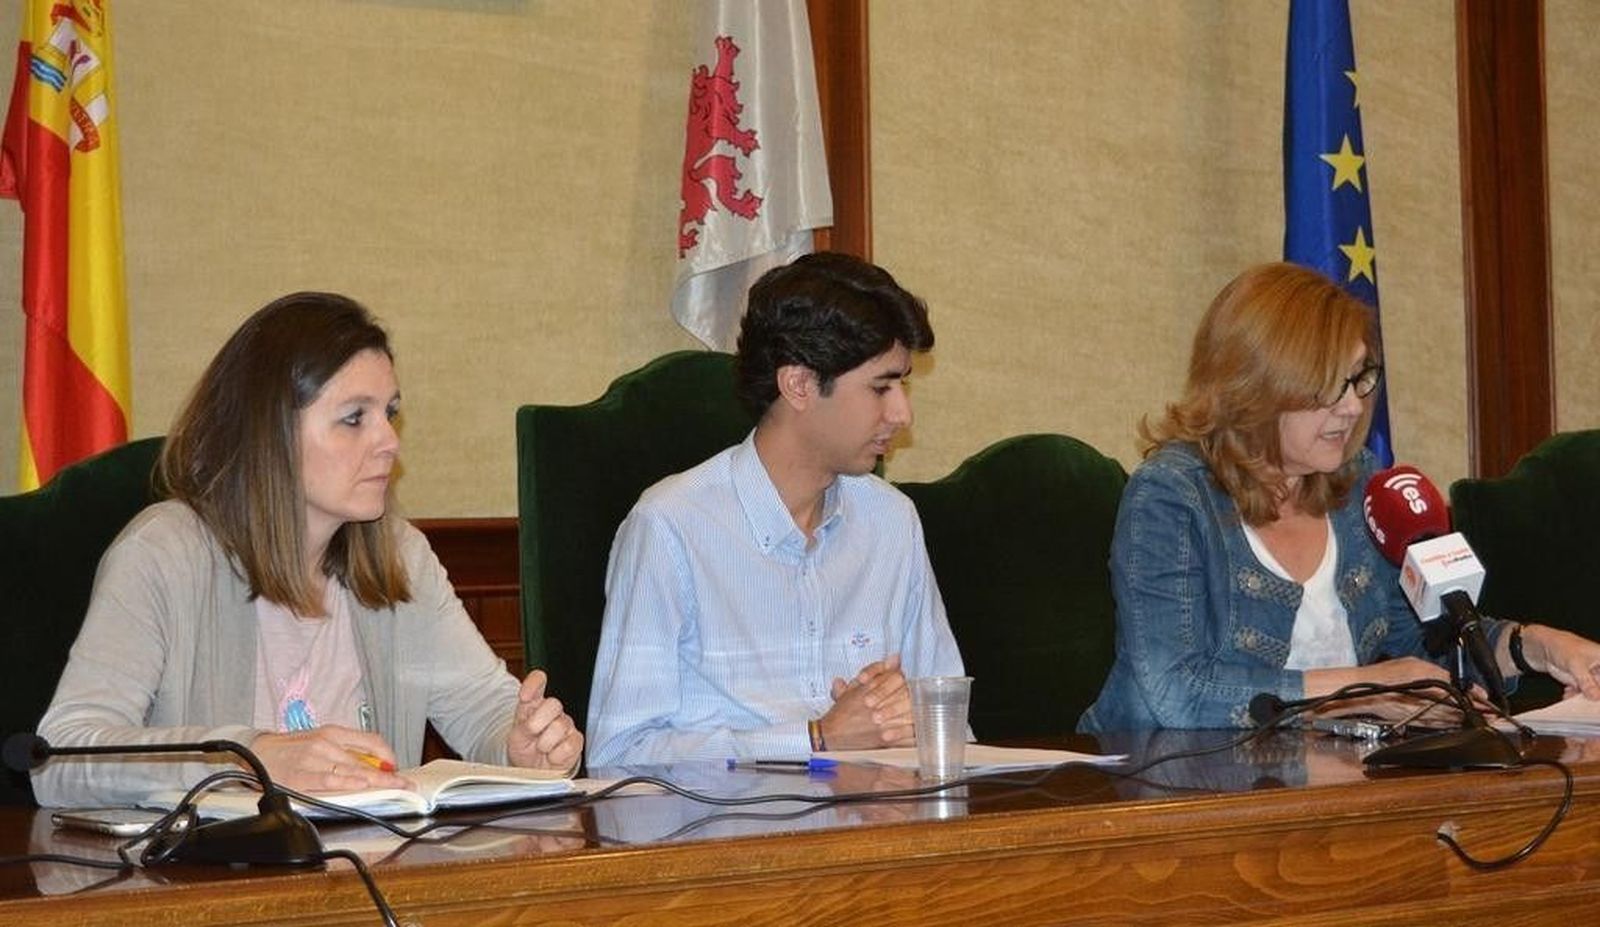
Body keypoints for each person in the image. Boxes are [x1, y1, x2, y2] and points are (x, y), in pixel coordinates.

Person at [34, 292, 582, 807]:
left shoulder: (399, 556)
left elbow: (482, 708)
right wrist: (249, 754)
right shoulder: (164, 554)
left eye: (389, 412)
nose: (390, 440)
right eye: (353, 418)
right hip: (208, 891)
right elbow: (63, 758)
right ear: (269, 432)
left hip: (373, 875)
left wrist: (520, 746)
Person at [1080, 262, 1600, 732]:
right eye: (1330, 385)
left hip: (1325, 785)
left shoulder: (1363, 490)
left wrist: (1536, 647)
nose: (1353, 407)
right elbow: (1177, 692)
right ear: (1254, 386)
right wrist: (1363, 690)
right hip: (1158, 798)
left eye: (1360, 379)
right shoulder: (1171, 496)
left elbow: (1425, 646)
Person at [586, 252, 966, 767]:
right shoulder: (670, 527)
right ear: (799, 385)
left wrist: (905, 724)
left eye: (903, 386)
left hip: (877, 833)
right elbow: (618, 755)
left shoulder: (892, 522)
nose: (902, 413)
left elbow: (951, 725)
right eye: (881, 387)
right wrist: (816, 739)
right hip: (725, 839)